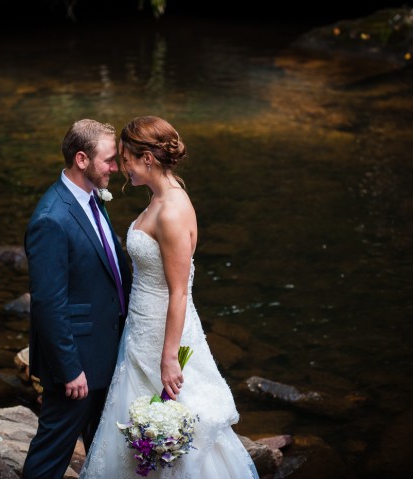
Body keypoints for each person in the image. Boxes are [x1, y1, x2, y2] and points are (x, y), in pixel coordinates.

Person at [80, 116, 259, 478]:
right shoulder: (162, 195)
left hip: (163, 334)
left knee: (171, 427)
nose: (121, 166)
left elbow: (179, 292)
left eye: (126, 158)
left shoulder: (173, 210)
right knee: (138, 423)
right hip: (142, 327)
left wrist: (169, 358)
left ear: (147, 158)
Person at [22, 119, 133, 479]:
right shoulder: (51, 219)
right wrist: (69, 369)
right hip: (78, 364)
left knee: (103, 447)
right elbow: (47, 303)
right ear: (82, 159)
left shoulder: (90, 199)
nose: (116, 168)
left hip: (105, 349)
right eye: (110, 160)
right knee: (52, 453)